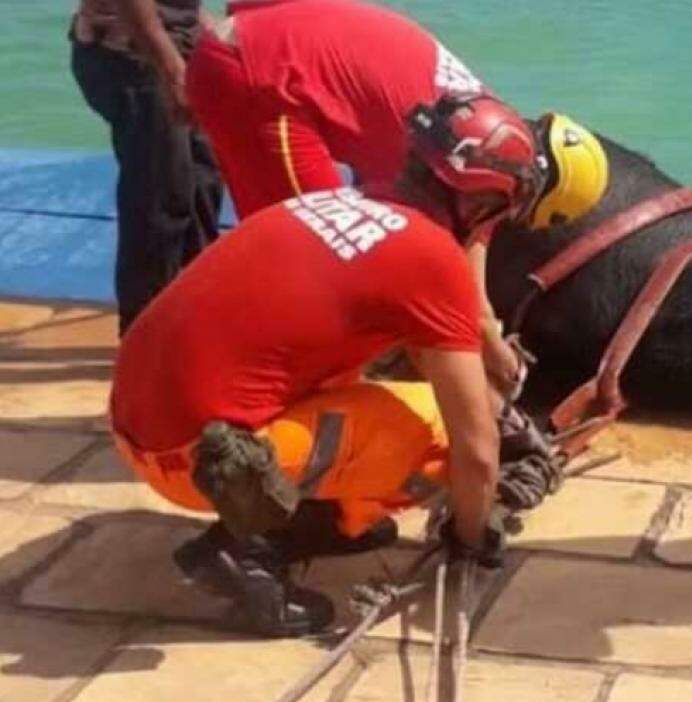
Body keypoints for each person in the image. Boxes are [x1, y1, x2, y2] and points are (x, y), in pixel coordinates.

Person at [110, 185, 506, 637]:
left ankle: (327, 519)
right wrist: (474, 543)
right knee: (440, 436)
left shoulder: (331, 201)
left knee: (344, 382)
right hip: (204, 465)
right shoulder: (437, 263)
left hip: (135, 428)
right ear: (478, 209)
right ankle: (249, 550)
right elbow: (476, 448)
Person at [178, 0, 609, 397]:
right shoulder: (487, 164)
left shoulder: (484, 124)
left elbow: (468, 260)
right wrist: (498, 367)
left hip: (260, 40)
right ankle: (280, 403)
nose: (501, 216)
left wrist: (489, 338)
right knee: (319, 262)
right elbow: (451, 288)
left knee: (333, 261)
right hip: (261, 80)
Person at [71, 0, 223, 334]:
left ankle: (200, 314)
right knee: (163, 195)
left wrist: (206, 31)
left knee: (204, 183)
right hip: (133, 55)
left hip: (177, 46)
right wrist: (171, 69)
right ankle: (144, 333)